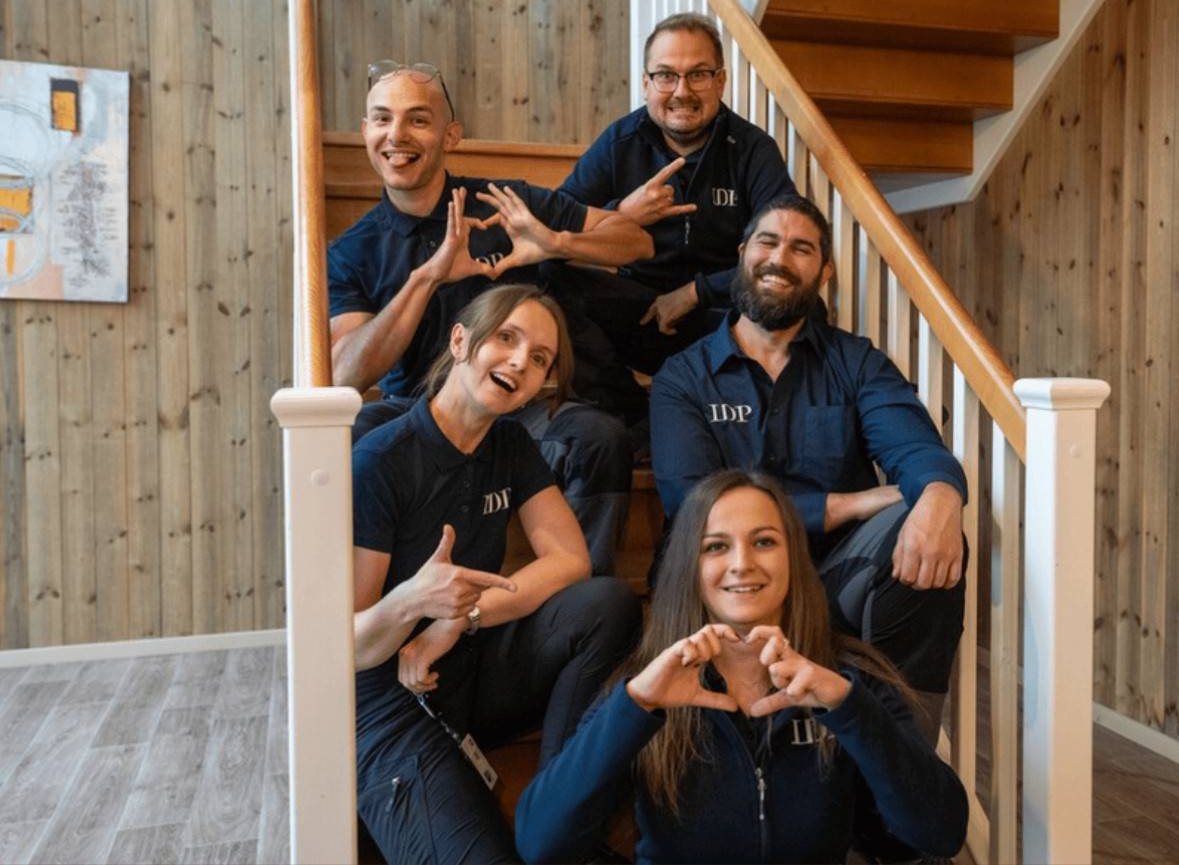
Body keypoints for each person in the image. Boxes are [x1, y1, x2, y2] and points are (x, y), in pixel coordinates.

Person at [515, 470, 968, 864]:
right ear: (689, 567)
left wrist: (849, 709)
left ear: (793, 558)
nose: (742, 564)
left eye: (764, 542)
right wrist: (634, 705)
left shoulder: (847, 679)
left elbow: (941, 833)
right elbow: (540, 845)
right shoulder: (646, 686)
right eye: (716, 546)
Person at [649, 194, 969, 739]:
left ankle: (903, 749)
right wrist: (846, 505)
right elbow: (691, 504)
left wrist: (940, 494)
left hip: (829, 583)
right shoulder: (683, 377)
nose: (780, 258)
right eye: (768, 242)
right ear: (743, 254)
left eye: (801, 249)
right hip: (724, 579)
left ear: (824, 273)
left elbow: (916, 449)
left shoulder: (856, 362)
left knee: (927, 520)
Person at [353, 284, 641, 865]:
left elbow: (570, 559)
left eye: (539, 358)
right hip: (391, 701)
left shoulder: (509, 443)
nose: (519, 362)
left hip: (468, 670)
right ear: (461, 341)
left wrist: (460, 619)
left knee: (606, 604)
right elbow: (348, 646)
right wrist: (411, 601)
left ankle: (558, 815)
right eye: (506, 338)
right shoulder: (381, 459)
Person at [328, 60, 653, 573]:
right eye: (383, 119)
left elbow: (635, 240)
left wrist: (556, 242)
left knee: (598, 438)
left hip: (519, 408)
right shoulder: (352, 251)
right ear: (366, 131)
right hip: (416, 411)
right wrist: (428, 277)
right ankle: (371, 604)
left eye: (417, 119)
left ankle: (578, 597)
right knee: (351, 432)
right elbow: (345, 374)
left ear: (450, 135)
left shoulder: (505, 203)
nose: (397, 135)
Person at [547, 12, 797, 405]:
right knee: (543, 273)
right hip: (641, 314)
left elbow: (784, 250)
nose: (682, 91)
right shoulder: (620, 142)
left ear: (720, 81)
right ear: (646, 84)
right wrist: (621, 215)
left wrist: (696, 292)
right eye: (666, 75)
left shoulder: (753, 150)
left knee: (803, 305)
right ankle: (628, 409)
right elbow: (551, 227)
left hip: (723, 317)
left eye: (698, 74)